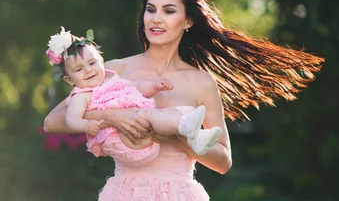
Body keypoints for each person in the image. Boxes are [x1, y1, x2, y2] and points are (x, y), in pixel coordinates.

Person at [43, 0, 323, 201]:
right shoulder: (115, 70)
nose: (156, 19)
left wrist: (172, 138)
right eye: (151, 9)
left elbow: (223, 160)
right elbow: (55, 119)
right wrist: (117, 117)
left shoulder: (201, 83)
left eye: (168, 10)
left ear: (188, 20)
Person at [45, 28, 223, 165]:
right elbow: (71, 118)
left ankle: (196, 137)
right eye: (79, 69)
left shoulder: (111, 77)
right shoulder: (81, 94)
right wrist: (90, 124)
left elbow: (136, 88)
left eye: (92, 63)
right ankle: (185, 127)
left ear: (101, 60)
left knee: (182, 111)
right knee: (147, 114)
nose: (88, 70)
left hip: (145, 137)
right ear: (69, 79)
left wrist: (154, 87)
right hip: (124, 141)